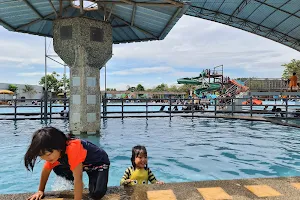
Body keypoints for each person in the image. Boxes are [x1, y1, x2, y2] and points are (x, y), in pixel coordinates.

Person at [24, 127, 110, 200]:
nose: (46, 158)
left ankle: (81, 186)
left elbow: (78, 179)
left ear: (59, 147)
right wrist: (40, 190)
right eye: (41, 155)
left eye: (48, 154)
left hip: (99, 163)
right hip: (82, 164)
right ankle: (75, 186)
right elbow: (46, 170)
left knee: (97, 193)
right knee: (57, 168)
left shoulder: (73, 149)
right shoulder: (55, 155)